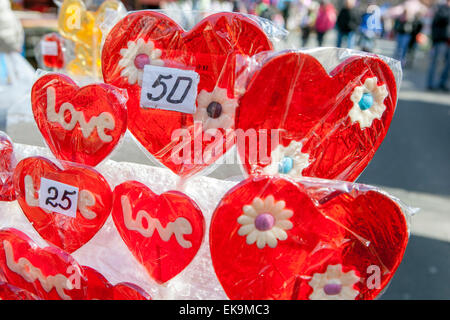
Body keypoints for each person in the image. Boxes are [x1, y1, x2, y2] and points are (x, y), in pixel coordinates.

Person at [426, 0, 450, 91]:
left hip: (447, 41)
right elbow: (444, 18)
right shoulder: (442, 9)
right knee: (436, 63)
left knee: (447, 65)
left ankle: (442, 83)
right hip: (441, 40)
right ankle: (431, 83)